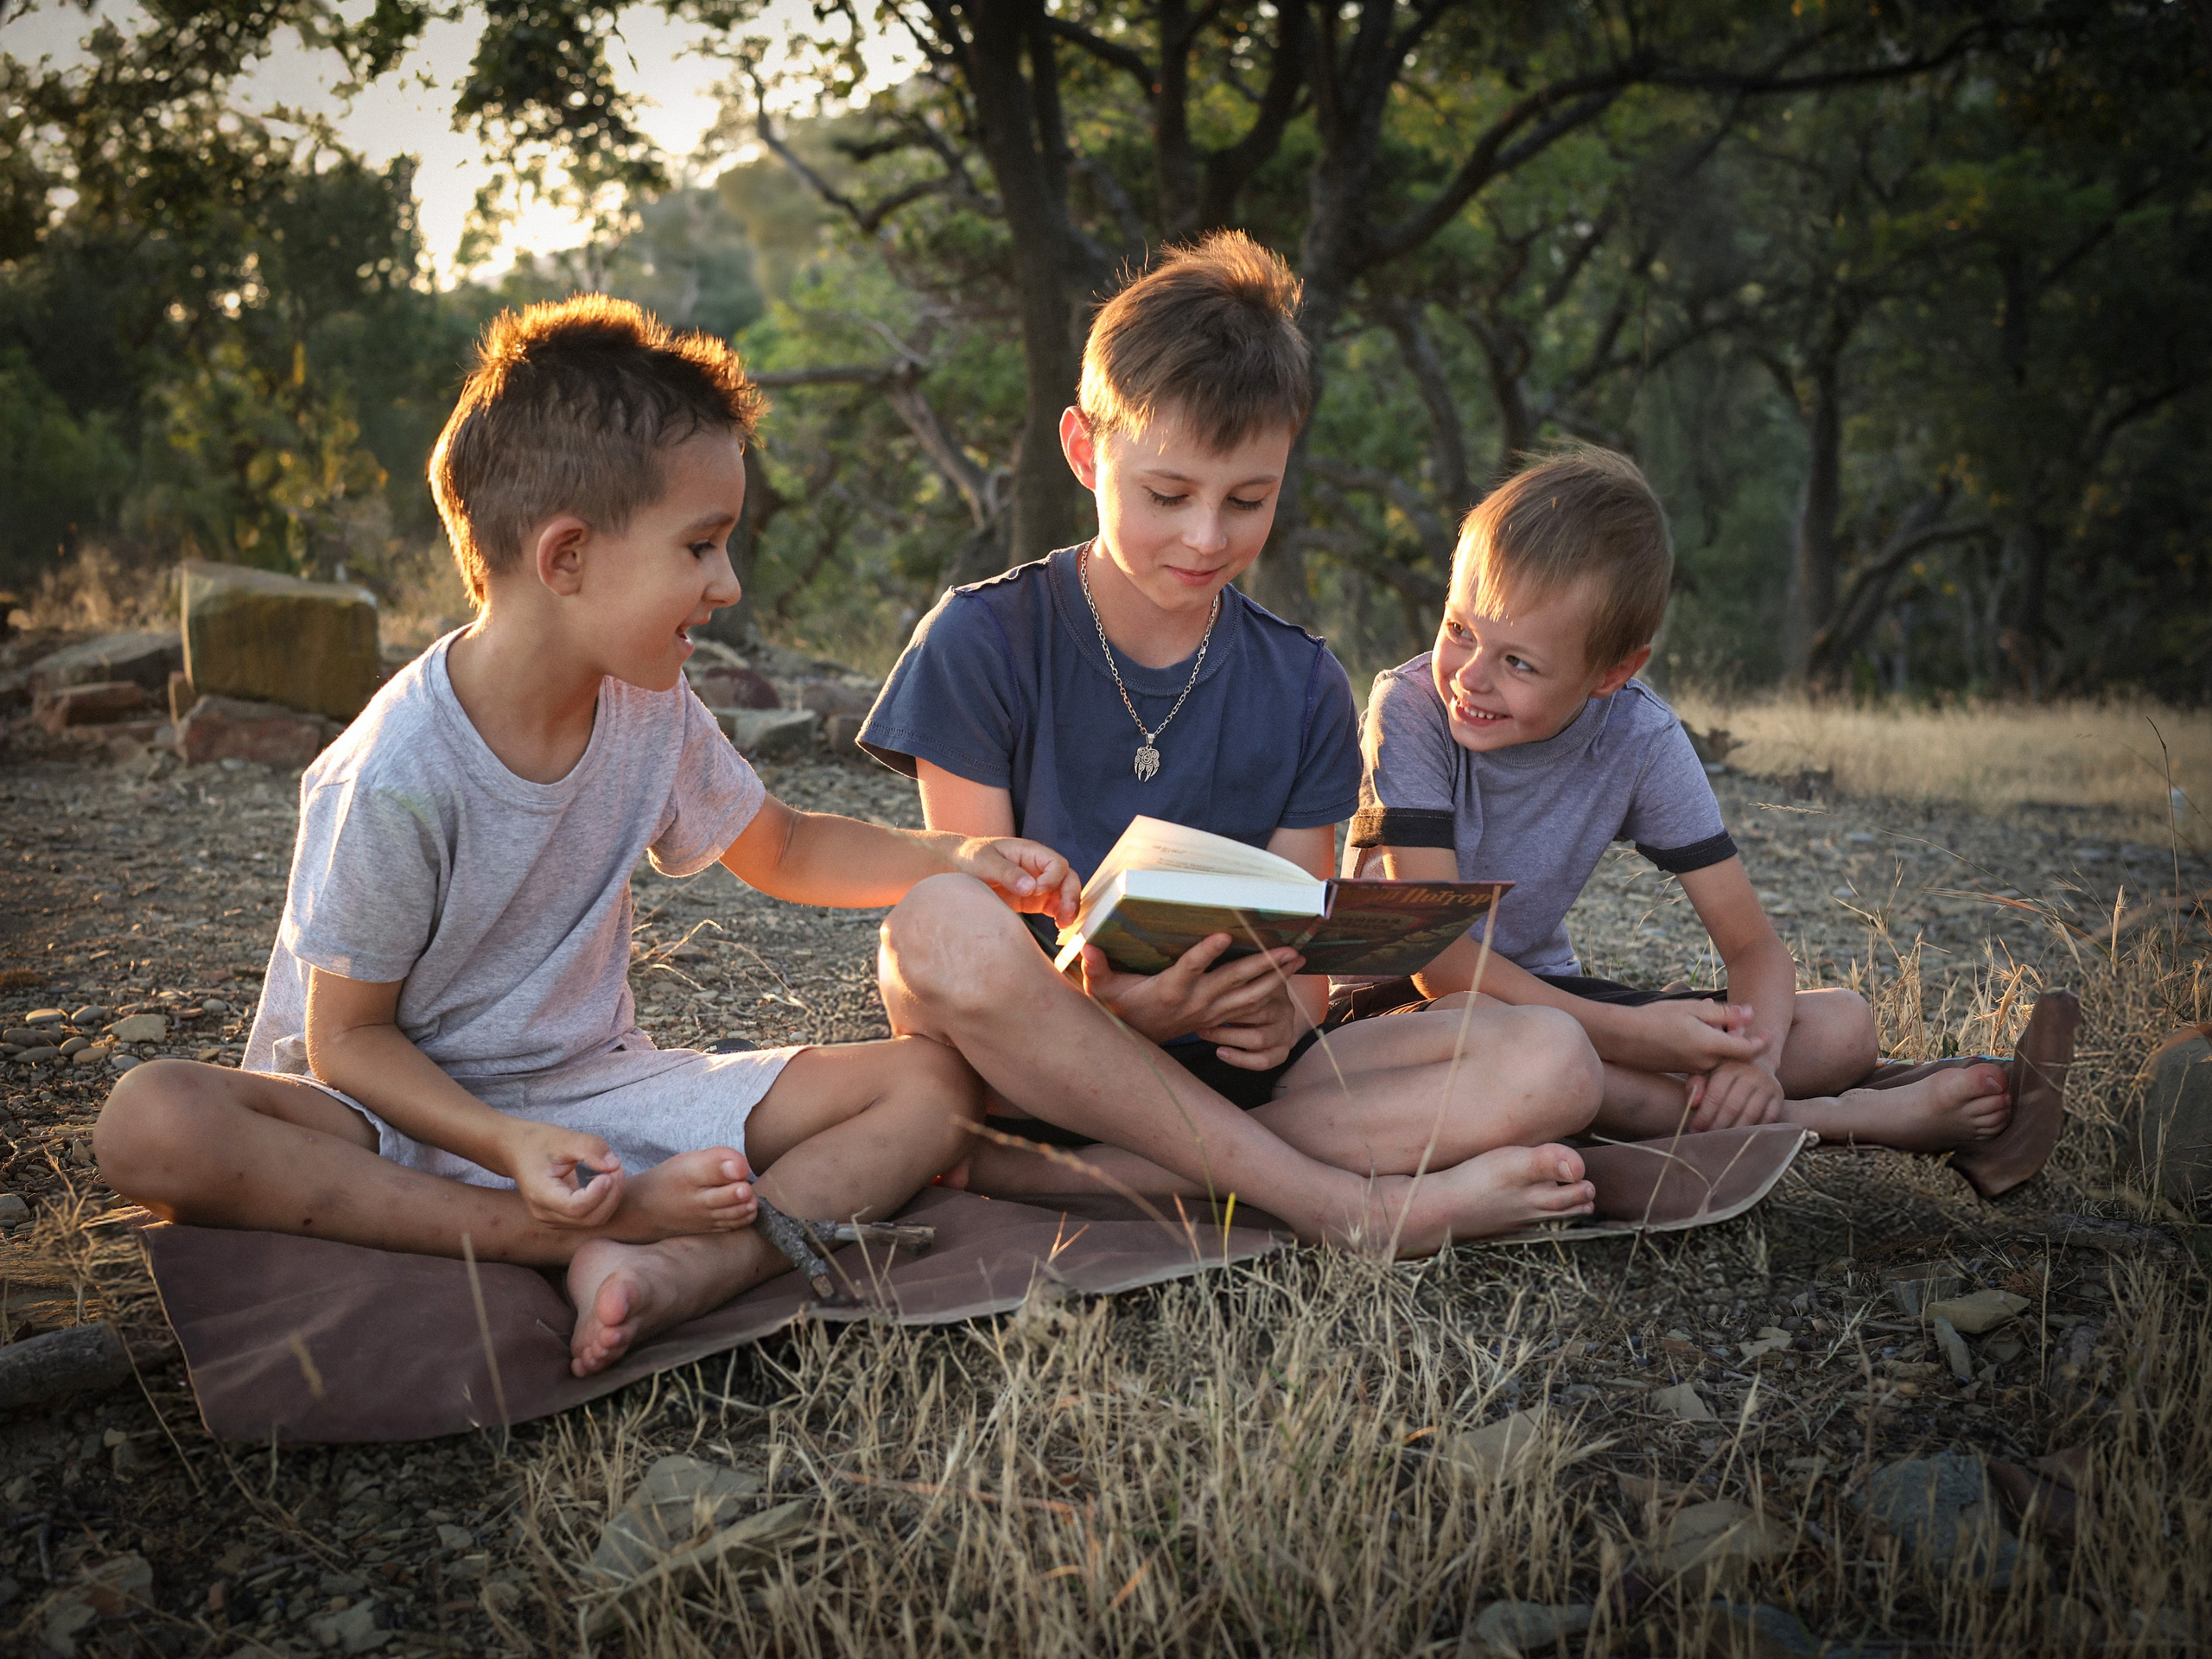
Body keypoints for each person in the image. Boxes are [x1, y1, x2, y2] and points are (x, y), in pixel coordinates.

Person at [93, 296, 1087, 1378]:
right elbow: (349, 1044)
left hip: (595, 1096)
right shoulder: (392, 774)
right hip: (386, 1123)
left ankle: (685, 1270)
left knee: (928, 1087)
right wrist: (508, 1149)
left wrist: (955, 858)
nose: (727, 584)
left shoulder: (649, 705)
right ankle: (563, 1234)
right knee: (152, 1122)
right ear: (566, 557)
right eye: (701, 546)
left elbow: (786, 848)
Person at [865, 232, 1605, 1244]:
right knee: (935, 923)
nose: (1207, 538)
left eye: (1248, 500)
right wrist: (1123, 1016)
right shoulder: (981, 640)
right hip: (1028, 1058)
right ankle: (1337, 1202)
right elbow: (986, 930)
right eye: (1167, 495)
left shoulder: (1300, 680)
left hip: (1232, 1073)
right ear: (1085, 450)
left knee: (1554, 1060)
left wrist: (1280, 1015)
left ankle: (1076, 1179)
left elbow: (1302, 959)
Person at [1340, 444, 2036, 1171]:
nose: (1471, 678)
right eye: (1459, 630)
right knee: (1556, 1055)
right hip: (1404, 1011)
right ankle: (1837, 1121)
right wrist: (1635, 1036)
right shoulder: (1409, 711)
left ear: (1613, 671)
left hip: (1553, 1000)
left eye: (1518, 662)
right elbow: (1438, 964)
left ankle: (1737, 1101)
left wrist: (1751, 1064)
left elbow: (1754, 949)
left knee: (1843, 1028)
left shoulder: (1639, 735)